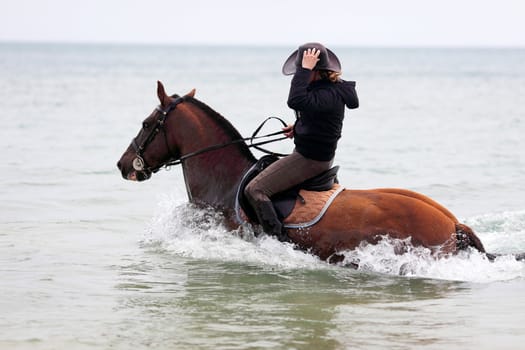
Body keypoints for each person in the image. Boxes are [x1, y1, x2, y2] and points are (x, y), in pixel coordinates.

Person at [245, 42, 359, 241]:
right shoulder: (328, 88)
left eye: (302, 70)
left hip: (310, 159)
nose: (299, 74)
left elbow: (295, 101)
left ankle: (278, 242)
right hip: (316, 153)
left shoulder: (326, 93)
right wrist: (298, 127)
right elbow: (321, 118)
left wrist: (305, 69)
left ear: (315, 70)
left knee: (255, 190)